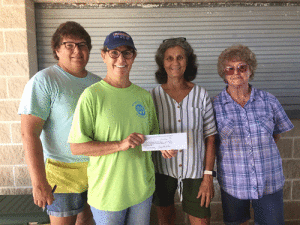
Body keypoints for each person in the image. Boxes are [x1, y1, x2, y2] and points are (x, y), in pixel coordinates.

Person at [68, 31, 159, 225]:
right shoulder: (91, 96)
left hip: (142, 191)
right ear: (103, 55)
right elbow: (77, 147)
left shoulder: (143, 97)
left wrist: (166, 146)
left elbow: (152, 139)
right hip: (107, 194)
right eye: (114, 52)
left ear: (133, 57)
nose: (121, 59)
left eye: (127, 53)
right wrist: (119, 144)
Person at [18, 21, 101, 224]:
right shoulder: (44, 81)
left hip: (95, 169)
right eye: (69, 45)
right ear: (57, 50)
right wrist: (38, 181)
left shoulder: (98, 83)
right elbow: (29, 133)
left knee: (88, 221)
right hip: (61, 174)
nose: (77, 50)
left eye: (82, 45)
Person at [212, 44, 294, 225]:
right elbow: (212, 142)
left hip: (269, 180)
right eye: (230, 68)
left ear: (250, 70)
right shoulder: (215, 106)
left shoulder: (269, 100)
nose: (236, 73)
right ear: (223, 73)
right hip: (233, 182)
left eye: (242, 67)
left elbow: (275, 135)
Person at [150, 37, 217, 225]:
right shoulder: (153, 96)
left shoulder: (201, 94)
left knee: (201, 221)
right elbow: (146, 133)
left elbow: (210, 138)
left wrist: (208, 177)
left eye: (180, 57)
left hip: (195, 172)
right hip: (162, 170)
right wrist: (159, 143)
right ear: (162, 63)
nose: (175, 63)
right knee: (165, 220)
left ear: (188, 61)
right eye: (169, 58)